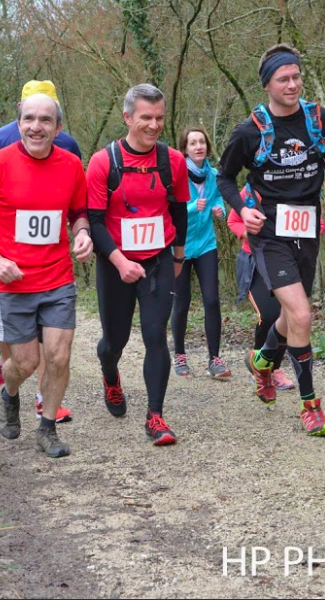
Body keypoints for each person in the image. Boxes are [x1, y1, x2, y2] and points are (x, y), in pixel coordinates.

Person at [216, 43, 325, 437]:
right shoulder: (250, 131)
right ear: (268, 86)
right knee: (304, 315)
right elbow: (224, 177)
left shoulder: (319, 119)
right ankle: (311, 406)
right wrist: (242, 211)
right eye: (283, 79)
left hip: (307, 227)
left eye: (296, 77)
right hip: (269, 232)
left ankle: (262, 363)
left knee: (291, 317)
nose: (292, 85)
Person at [0, 93, 92, 457]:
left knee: (60, 357)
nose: (36, 126)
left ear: (58, 128)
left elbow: (79, 211)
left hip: (58, 279)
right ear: (19, 125)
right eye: (29, 119)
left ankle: (47, 429)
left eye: (45, 120)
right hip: (11, 282)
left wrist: (82, 233)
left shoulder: (71, 165)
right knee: (25, 363)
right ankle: (9, 391)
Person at [87, 84, 190, 446]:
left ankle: (156, 416)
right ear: (128, 117)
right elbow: (95, 222)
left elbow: (179, 212)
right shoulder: (103, 161)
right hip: (115, 262)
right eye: (146, 117)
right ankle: (110, 376)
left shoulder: (173, 160)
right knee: (115, 341)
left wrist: (178, 256)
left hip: (158, 258)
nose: (154, 125)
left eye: (160, 117)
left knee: (155, 335)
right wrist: (118, 260)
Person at [169, 126, 231, 379]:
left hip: (206, 244)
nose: (198, 147)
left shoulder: (214, 175)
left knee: (212, 300)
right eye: (193, 143)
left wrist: (220, 210)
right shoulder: (176, 174)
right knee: (181, 303)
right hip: (179, 246)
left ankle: (214, 359)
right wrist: (194, 206)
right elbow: (172, 208)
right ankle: (180, 356)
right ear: (185, 148)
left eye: (202, 142)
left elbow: (218, 200)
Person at [227, 187, 300, 392]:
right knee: (269, 315)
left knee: (286, 315)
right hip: (255, 262)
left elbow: (317, 223)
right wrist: (248, 235)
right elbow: (233, 220)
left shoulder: (300, 189)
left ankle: (274, 369)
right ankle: (257, 365)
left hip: (285, 262)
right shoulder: (252, 192)